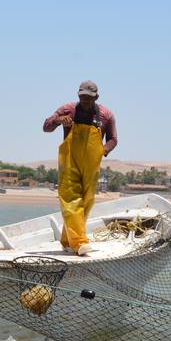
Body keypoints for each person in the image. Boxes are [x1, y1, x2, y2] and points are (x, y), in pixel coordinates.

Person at [43, 80, 118, 256]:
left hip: (91, 165)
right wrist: (58, 120)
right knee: (70, 200)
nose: (85, 101)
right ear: (78, 95)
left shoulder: (106, 115)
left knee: (86, 201)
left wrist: (102, 151)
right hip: (69, 161)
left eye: (89, 98)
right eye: (82, 97)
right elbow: (46, 127)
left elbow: (113, 139)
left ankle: (67, 239)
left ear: (96, 97)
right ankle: (80, 243)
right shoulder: (68, 109)